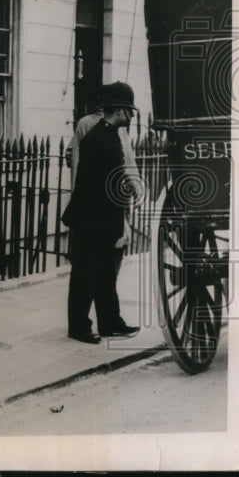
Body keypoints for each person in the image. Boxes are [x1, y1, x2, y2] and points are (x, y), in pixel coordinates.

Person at [65, 81, 140, 344]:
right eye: (128, 111)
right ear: (118, 110)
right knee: (85, 274)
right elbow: (92, 185)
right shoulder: (96, 138)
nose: (131, 116)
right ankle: (79, 327)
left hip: (105, 217)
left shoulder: (111, 135)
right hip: (92, 218)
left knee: (106, 274)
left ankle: (110, 322)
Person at [68, 93, 141, 277]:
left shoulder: (115, 127)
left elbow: (126, 158)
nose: (131, 116)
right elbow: (77, 160)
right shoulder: (88, 125)